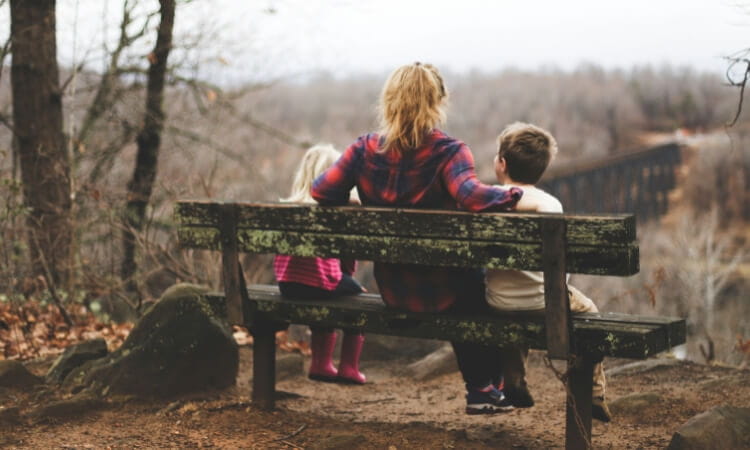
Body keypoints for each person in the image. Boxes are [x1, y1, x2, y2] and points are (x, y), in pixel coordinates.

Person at [312, 62, 523, 414]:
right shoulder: (450, 151)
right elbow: (471, 196)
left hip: (394, 289)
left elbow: (321, 191)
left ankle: (487, 388)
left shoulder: (363, 150)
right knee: (478, 284)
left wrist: (351, 200)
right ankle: (485, 387)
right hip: (446, 292)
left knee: (468, 282)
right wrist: (513, 194)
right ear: (438, 102)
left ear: (389, 101)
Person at [485, 122, 612, 422]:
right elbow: (559, 265)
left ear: (501, 164)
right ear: (541, 170)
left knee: (513, 310)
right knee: (590, 311)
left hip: (498, 301)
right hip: (546, 302)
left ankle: (514, 379)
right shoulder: (550, 204)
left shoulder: (487, 200)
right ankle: (594, 392)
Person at [274, 144, 368, 385]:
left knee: (326, 290)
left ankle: (321, 363)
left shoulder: (289, 207)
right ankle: (348, 367)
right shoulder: (334, 209)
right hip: (320, 284)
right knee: (358, 296)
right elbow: (345, 261)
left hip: (287, 284)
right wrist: (348, 276)